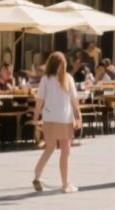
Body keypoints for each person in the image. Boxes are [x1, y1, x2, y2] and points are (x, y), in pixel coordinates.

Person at [31, 52, 82, 194]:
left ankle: (37, 175)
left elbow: (40, 99)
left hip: (49, 118)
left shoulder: (45, 79)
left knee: (50, 148)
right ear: (63, 64)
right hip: (64, 118)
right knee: (65, 151)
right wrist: (78, 117)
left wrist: (36, 116)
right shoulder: (68, 78)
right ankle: (65, 184)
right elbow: (74, 100)